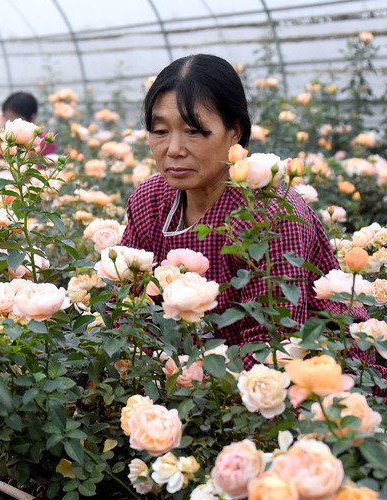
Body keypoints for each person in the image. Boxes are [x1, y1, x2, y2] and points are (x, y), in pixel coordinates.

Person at [120, 54, 373, 364]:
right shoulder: (151, 199)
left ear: (235, 131)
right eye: (160, 132)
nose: (173, 149)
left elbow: (273, 344)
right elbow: (126, 306)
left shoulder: (268, 212)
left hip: (311, 375)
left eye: (194, 131)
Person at [0, 91, 56, 156]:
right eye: (6, 116)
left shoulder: (42, 140)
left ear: (32, 117)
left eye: (15, 117)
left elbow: (45, 168)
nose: (9, 121)